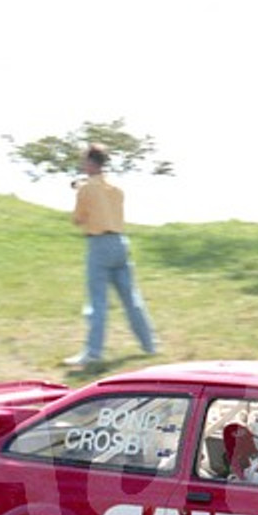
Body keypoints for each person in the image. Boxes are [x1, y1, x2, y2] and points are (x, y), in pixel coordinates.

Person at [64, 144, 157, 367]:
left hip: (99, 244)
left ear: (90, 162)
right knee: (132, 299)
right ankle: (150, 344)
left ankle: (93, 352)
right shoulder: (116, 189)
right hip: (120, 242)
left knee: (98, 302)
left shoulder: (85, 189)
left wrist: (79, 190)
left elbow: (78, 219)